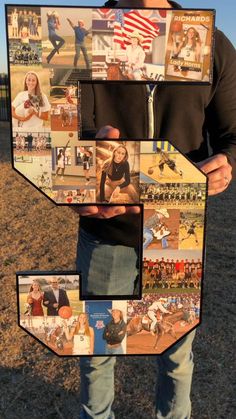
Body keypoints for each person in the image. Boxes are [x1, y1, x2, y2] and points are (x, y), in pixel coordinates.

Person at [76, 0, 236, 418]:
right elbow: (62, 139)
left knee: (177, 355)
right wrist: (75, 178)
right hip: (105, 233)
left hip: (178, 230)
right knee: (97, 351)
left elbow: (232, 134)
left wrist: (228, 163)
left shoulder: (212, 42)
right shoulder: (86, 34)